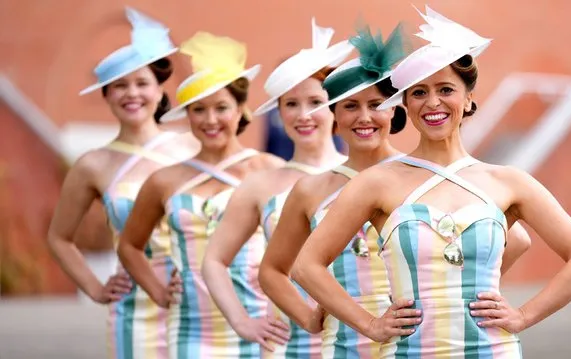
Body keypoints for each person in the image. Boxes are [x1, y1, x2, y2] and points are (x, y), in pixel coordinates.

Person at [291, 6, 571, 358]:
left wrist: (523, 315)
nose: (433, 102)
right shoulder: (377, 183)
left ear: (468, 98)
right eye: (419, 92)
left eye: (445, 89)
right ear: (405, 104)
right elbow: (306, 266)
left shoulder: (508, 181)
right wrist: (369, 324)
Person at [259, 21, 532, 358]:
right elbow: (276, 269)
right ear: (333, 115)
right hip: (347, 340)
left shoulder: (423, 175)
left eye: (376, 105)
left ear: (395, 110)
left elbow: (516, 240)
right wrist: (312, 319)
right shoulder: (312, 188)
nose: (364, 118)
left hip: (416, 339)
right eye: (350, 106)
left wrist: (458, 293)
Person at [116, 32, 284, 358]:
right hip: (190, 328)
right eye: (198, 110)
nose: (210, 120)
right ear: (187, 116)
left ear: (240, 110)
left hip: (260, 319)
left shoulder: (269, 169)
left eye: (221, 107)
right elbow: (129, 245)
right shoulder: (164, 180)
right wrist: (159, 291)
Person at [47, 7, 199, 359]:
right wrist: (96, 289)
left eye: (142, 83)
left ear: (161, 91)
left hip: (200, 298)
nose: (132, 94)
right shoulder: (94, 164)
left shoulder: (191, 145)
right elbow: (59, 237)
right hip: (136, 310)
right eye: (120, 86)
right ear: (107, 95)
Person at [200, 18, 352, 358]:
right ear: (278, 112)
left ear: (336, 105)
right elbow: (213, 260)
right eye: (291, 104)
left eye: (315, 101)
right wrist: (242, 322)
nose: (303, 115)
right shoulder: (260, 185)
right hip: (289, 339)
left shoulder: (364, 176)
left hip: (358, 334)